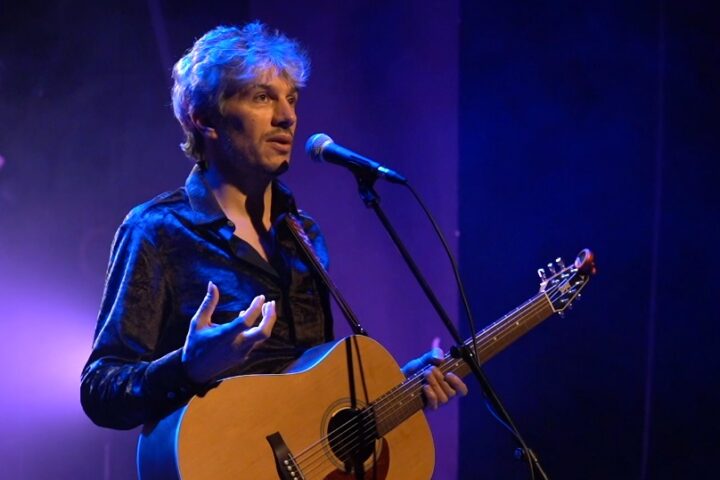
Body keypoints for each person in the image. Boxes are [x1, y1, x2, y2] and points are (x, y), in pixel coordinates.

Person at [80, 22, 466, 434]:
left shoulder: (303, 234)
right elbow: (100, 389)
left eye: (292, 99)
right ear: (205, 118)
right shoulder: (158, 230)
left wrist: (397, 391)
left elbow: (311, 395)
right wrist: (188, 367)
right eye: (262, 97)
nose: (287, 117)